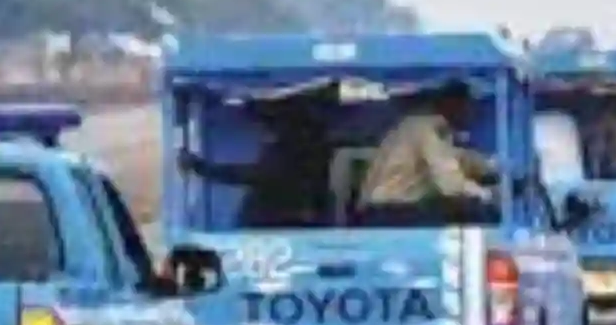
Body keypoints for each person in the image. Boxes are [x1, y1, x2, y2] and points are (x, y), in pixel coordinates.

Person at [177, 99, 338, 227]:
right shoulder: (314, 148)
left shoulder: (289, 151)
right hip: (299, 220)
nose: (264, 133)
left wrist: (200, 167)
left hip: (275, 223)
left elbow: (252, 175)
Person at [356, 85, 500, 225]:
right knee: (471, 214)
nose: (471, 112)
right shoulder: (427, 127)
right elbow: (449, 181)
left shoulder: (415, 125)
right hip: (392, 211)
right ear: (453, 104)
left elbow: (460, 158)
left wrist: (489, 167)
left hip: (378, 209)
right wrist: (484, 194)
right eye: (468, 106)